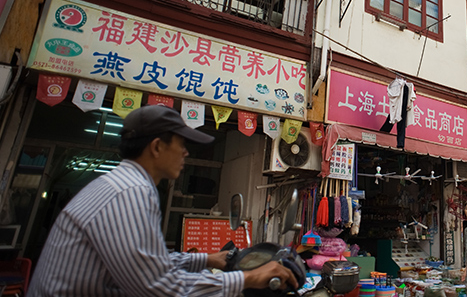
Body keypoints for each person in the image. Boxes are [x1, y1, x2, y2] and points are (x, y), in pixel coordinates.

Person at [29, 105, 298, 297]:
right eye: (180, 144)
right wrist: (246, 278)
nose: (185, 152)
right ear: (157, 147)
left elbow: (147, 262)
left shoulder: (123, 185)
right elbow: (158, 287)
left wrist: (206, 260)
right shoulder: (130, 193)